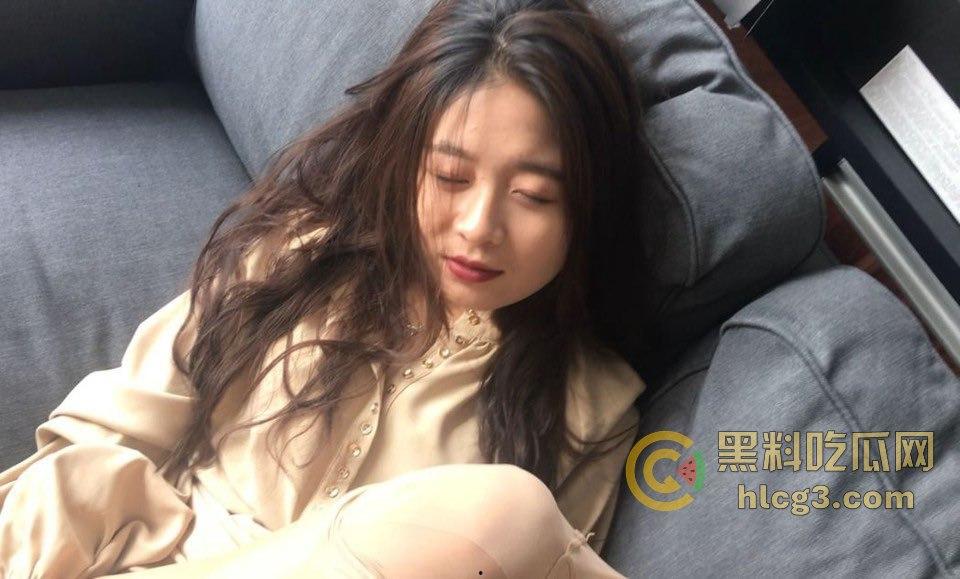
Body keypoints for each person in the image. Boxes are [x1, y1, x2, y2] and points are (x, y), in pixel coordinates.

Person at [0, 0, 654, 576]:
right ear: (404, 162)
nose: (479, 226)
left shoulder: (588, 411)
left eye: (533, 195)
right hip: (143, 554)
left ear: (588, 206)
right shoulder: (300, 258)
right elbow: (118, 424)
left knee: (503, 513)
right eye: (450, 177)